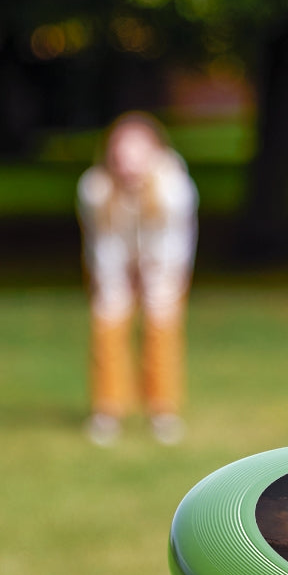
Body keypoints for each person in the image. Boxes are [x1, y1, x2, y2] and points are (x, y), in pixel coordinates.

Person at [77, 112, 198, 446]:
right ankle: (108, 410)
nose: (128, 162)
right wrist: (115, 284)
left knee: (162, 327)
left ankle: (162, 410)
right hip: (113, 264)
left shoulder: (174, 187)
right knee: (108, 323)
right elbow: (102, 243)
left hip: (163, 265)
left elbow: (174, 243)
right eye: (121, 153)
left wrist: (155, 279)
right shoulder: (95, 188)